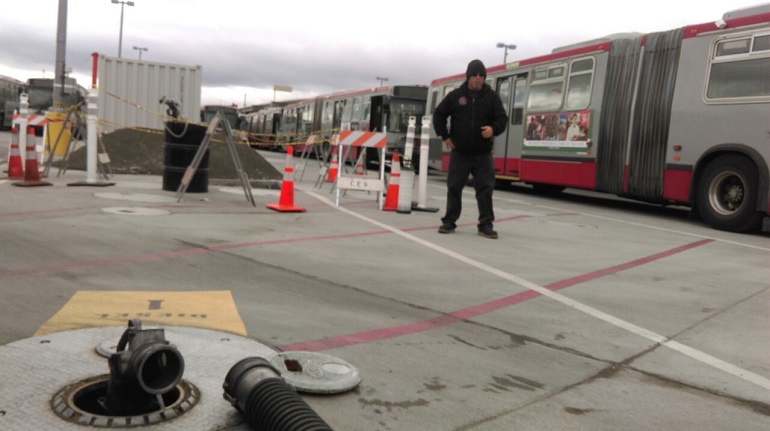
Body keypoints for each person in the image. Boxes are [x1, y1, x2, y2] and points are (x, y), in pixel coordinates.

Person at [432, 59, 508, 239]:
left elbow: (502, 119)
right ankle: (449, 221)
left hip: (483, 153)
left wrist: (493, 129)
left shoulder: (491, 97)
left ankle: (486, 225)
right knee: (454, 187)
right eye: (474, 75)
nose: (478, 78)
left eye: (481, 75)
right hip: (460, 153)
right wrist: (445, 136)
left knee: (485, 189)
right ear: (468, 76)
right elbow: (439, 115)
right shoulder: (456, 96)